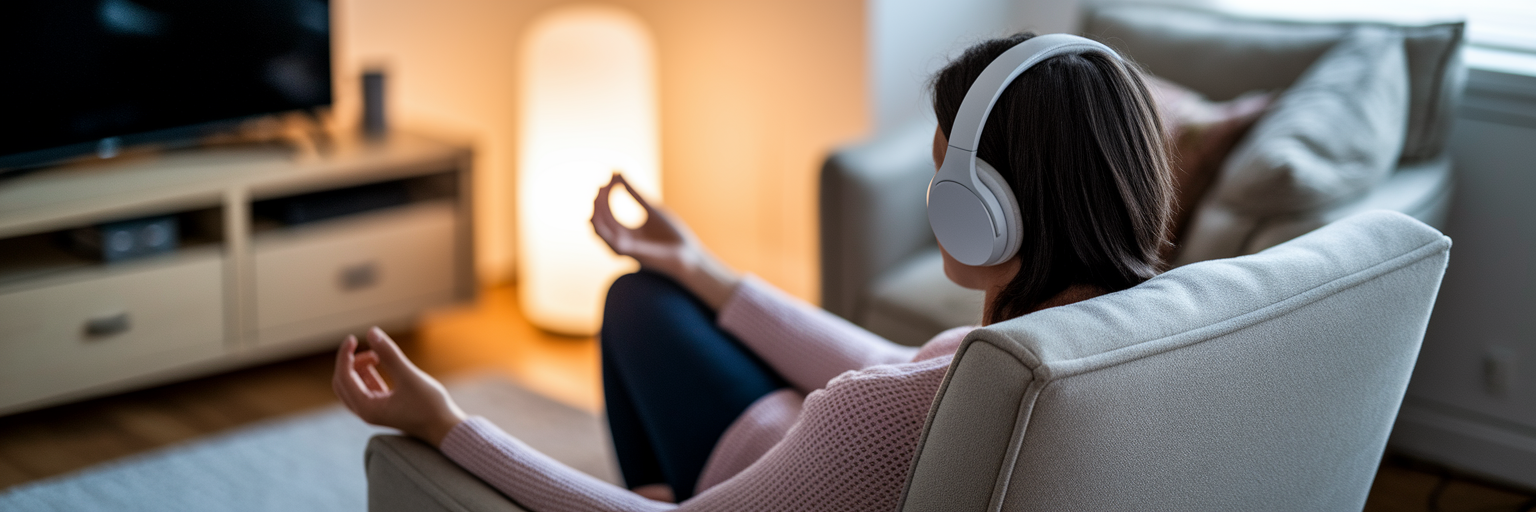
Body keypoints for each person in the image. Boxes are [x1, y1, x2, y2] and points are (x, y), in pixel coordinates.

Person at [333, 32, 1172, 511]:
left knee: (634, 303)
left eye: (941, 176)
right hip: (808, 454)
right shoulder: (1148, 334)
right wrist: (705, 270)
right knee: (657, 288)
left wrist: (445, 422)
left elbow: (881, 397)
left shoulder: (875, 414)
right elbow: (901, 369)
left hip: (758, 475)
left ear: (983, 212)